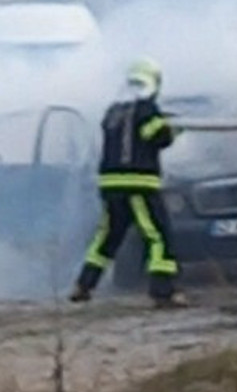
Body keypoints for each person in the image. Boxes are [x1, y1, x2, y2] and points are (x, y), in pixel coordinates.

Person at [70, 57, 187, 308]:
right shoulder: (146, 109)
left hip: (111, 185)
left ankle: (84, 285)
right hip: (138, 184)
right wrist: (174, 128)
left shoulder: (113, 111)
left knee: (108, 237)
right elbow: (156, 136)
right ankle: (163, 292)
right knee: (157, 236)